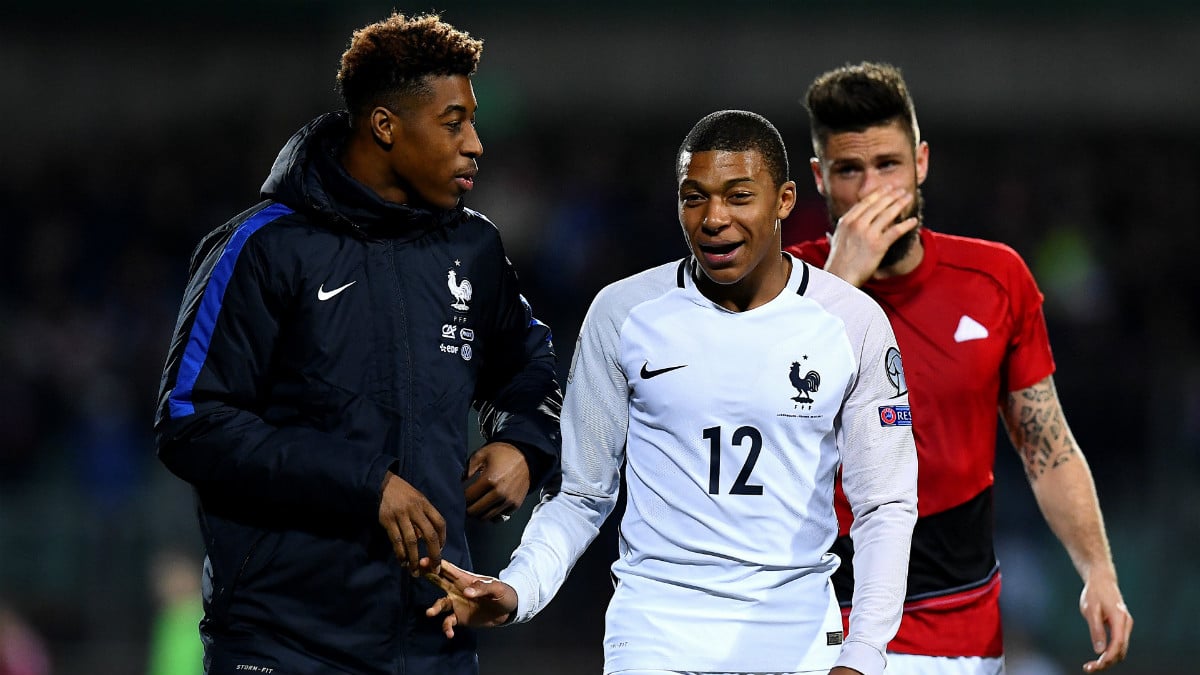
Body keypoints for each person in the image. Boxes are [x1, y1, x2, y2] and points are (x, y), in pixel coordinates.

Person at [425, 109, 919, 675]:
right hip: (657, 634)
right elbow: (583, 494)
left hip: (799, 638)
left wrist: (863, 653)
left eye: (738, 196)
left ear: (784, 200)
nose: (713, 218)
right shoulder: (624, 313)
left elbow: (885, 505)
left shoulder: (851, 322)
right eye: (694, 197)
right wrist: (517, 589)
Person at [153, 12, 562, 675]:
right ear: (385, 127)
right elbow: (191, 423)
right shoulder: (262, 248)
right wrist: (367, 484)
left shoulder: (473, 247)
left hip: (433, 643)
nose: (476, 144)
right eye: (454, 122)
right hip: (283, 644)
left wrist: (522, 443)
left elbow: (530, 366)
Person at [785, 61, 1133, 674]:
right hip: (813, 615)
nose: (871, 191)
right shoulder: (779, 290)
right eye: (849, 170)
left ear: (921, 163)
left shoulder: (995, 280)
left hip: (957, 620)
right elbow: (750, 437)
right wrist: (838, 288)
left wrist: (1097, 570)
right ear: (819, 177)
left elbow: (1046, 450)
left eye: (888, 165)